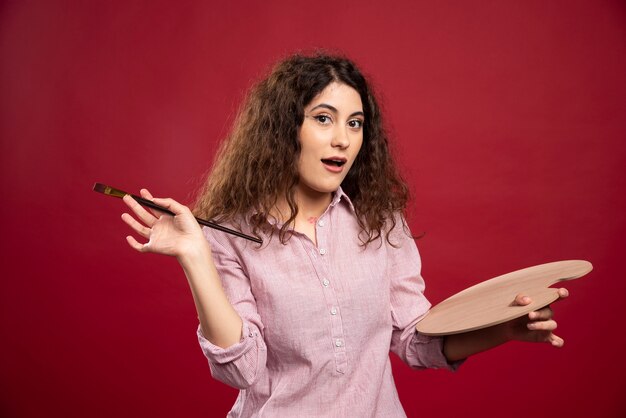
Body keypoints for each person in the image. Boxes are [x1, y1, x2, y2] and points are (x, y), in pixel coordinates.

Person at [120, 53, 568, 417]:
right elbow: (242, 370)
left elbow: (416, 340)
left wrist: (501, 329)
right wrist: (194, 256)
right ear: (282, 130)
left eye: (355, 123)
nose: (342, 139)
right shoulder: (229, 234)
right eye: (324, 119)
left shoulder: (381, 221)